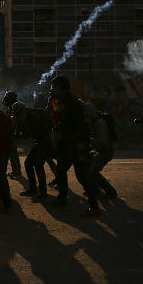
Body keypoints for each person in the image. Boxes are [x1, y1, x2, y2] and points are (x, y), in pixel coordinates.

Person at [48, 76, 100, 216]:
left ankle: (94, 207)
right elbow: (58, 118)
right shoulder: (63, 101)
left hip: (76, 143)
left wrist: (81, 144)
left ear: (62, 88)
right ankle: (62, 198)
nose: (53, 91)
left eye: (55, 88)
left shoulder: (72, 102)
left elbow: (76, 125)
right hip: (68, 143)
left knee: (82, 175)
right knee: (61, 170)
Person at [12, 102, 53, 200]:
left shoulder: (30, 116)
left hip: (45, 141)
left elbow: (27, 134)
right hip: (40, 141)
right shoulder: (28, 114)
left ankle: (43, 192)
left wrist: (18, 130)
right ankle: (33, 188)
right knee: (28, 164)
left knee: (38, 165)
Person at [83, 103, 118, 199]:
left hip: (105, 150)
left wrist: (91, 144)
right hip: (103, 150)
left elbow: (102, 140)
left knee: (93, 172)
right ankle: (96, 190)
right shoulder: (95, 121)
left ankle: (111, 192)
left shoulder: (99, 123)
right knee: (91, 170)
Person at [2, 91, 22, 178]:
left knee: (11, 152)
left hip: (11, 134)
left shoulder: (15, 107)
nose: (5, 99)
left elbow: (14, 122)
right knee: (11, 152)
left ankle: (16, 171)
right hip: (10, 133)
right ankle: (15, 170)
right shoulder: (11, 107)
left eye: (6, 97)